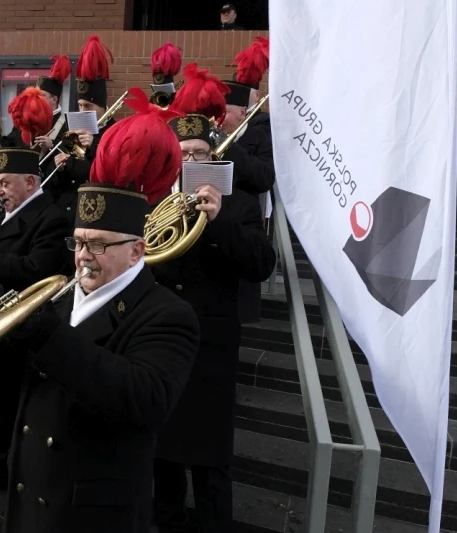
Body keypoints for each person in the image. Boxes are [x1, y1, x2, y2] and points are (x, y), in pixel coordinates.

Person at [0, 90, 199, 533]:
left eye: (99, 245)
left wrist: (48, 337)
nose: (83, 257)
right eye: (79, 242)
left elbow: (144, 399)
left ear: (137, 251)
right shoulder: (61, 296)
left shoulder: (167, 313)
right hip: (31, 497)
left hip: (88, 513)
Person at [152, 65, 277, 533]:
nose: (191, 162)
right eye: (183, 154)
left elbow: (261, 265)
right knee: (162, 457)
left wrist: (220, 219)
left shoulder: (240, 205)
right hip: (164, 341)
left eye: (200, 154)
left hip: (212, 344)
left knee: (210, 462)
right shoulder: (156, 201)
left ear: (214, 157)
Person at [0, 146, 69, 493]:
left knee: (11, 407)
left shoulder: (51, 218)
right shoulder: (1, 214)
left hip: (22, 328)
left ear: (30, 182)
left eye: (5, 183)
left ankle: (18, 474)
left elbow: (38, 271)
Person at [221, 37, 275, 324]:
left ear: (242, 113)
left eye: (225, 112)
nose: (219, 118)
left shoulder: (260, 136)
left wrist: (228, 146)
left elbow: (265, 177)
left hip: (242, 225)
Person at [52, 35, 118, 224]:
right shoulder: (72, 128)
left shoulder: (115, 131)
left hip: (97, 211)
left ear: (102, 106)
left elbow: (113, 176)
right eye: (80, 106)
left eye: (88, 107)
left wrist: (94, 146)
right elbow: (58, 183)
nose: (82, 111)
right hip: (66, 211)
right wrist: (60, 167)